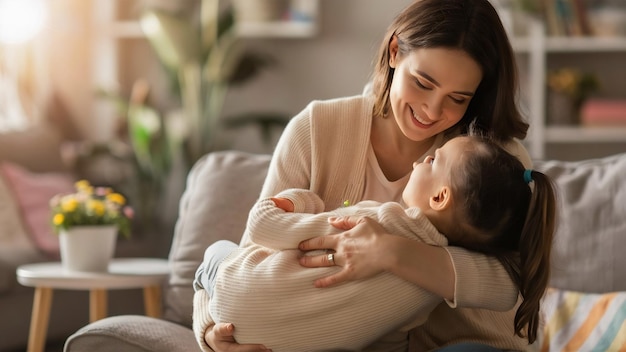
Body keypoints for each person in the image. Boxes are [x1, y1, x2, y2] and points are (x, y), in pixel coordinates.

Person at [194, 0, 538, 351]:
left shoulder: (491, 159)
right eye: (422, 83)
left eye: (458, 98)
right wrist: (209, 327)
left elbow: (509, 282)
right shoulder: (315, 130)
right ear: (394, 52)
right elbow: (250, 255)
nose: (433, 110)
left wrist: (391, 252)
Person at [193, 135, 556, 352]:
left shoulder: (374, 221)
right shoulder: (428, 295)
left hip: (239, 307)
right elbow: (389, 342)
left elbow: (261, 227)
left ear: (441, 196)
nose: (419, 159)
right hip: (249, 336)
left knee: (215, 253)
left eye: (432, 159)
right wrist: (208, 331)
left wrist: (304, 202)